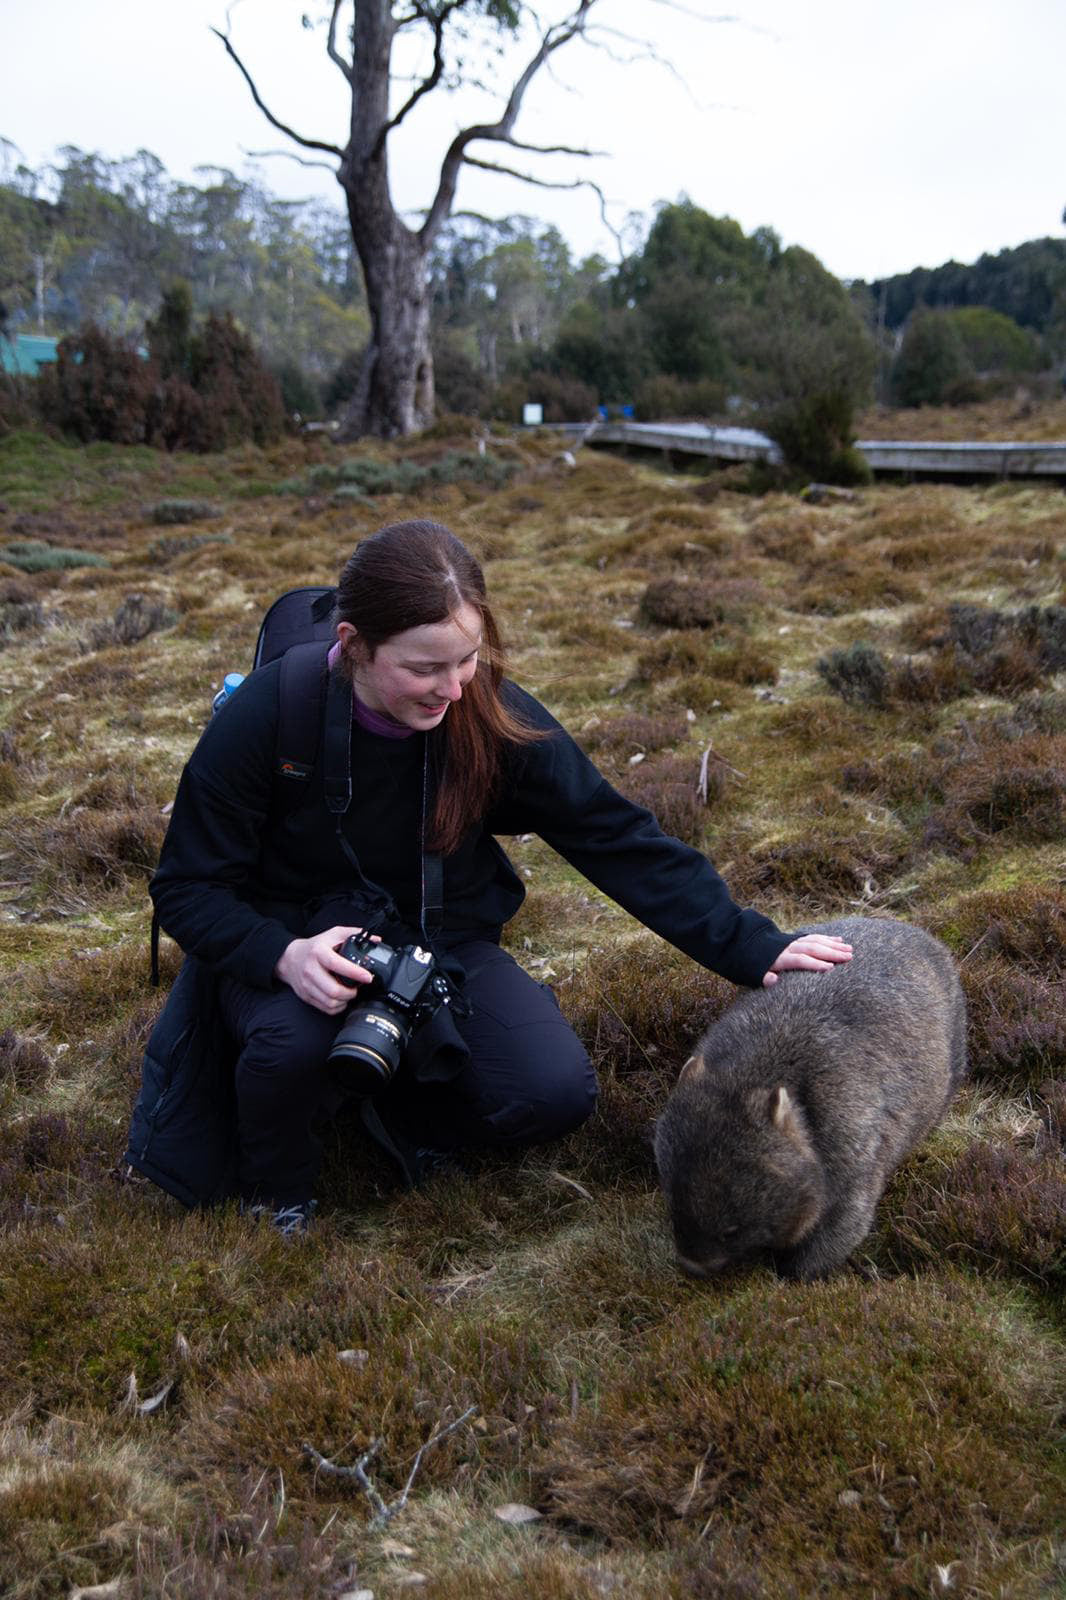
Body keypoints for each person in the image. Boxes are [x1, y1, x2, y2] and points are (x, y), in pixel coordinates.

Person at [131, 519, 851, 1232]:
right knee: (292, 1046)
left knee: (552, 1092)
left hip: (437, 944)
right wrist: (283, 956)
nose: (450, 689)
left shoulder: (486, 715)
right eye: (422, 668)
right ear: (352, 645)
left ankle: (400, 1110)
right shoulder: (268, 716)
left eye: (467, 659)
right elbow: (187, 888)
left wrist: (749, 944)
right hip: (293, 944)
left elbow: (610, 832)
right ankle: (277, 1187)